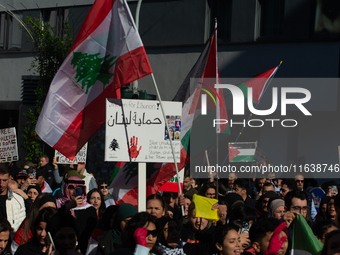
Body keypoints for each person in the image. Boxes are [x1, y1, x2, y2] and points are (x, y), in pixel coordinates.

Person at [56, 176, 97, 254]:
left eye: (78, 188)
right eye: (71, 188)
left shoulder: (89, 209)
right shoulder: (58, 204)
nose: (74, 191)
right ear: (66, 189)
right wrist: (67, 207)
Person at [0, 163, 26, 232]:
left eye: (4, 180)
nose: (1, 184)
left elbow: (21, 225)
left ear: (9, 179)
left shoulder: (18, 199)